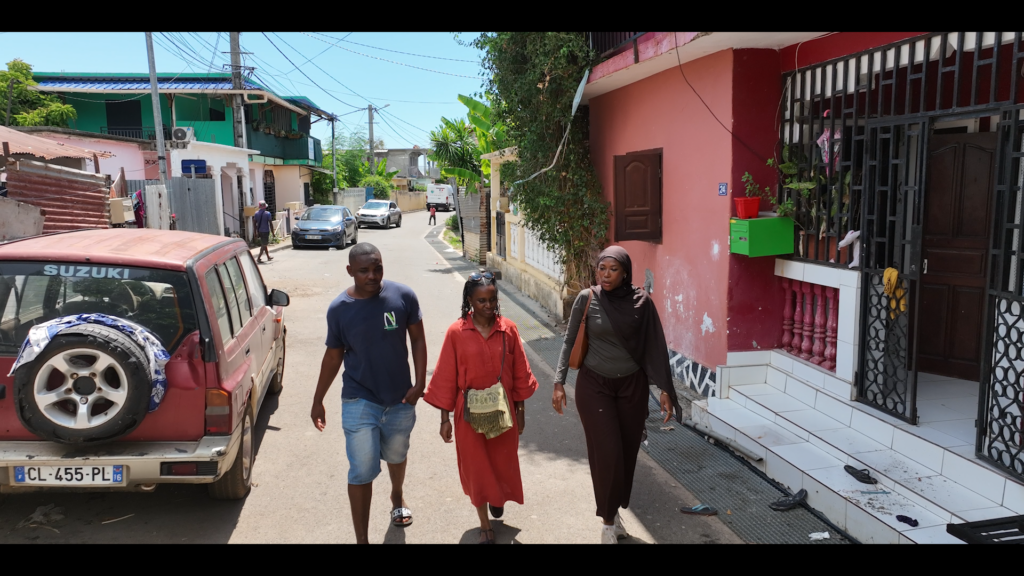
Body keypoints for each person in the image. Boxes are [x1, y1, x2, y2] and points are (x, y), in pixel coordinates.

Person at [552, 246, 683, 544]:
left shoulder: (642, 303)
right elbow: (569, 339)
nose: (606, 274)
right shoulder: (588, 298)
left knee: (625, 454)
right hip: (594, 387)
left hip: (631, 388)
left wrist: (664, 390)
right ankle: (608, 522)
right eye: (602, 269)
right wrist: (559, 382)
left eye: (613, 269)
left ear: (625, 272)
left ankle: (615, 509)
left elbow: (654, 346)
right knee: (607, 453)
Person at [310, 243, 428, 544]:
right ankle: (362, 540)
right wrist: (318, 399)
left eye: (377, 268)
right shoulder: (339, 310)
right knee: (361, 469)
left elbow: (417, 340)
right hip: (359, 398)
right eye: (364, 271)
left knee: (397, 454)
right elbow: (333, 357)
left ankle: (397, 495)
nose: (372, 276)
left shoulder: (403, 296)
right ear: (350, 271)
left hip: (400, 398)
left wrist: (419, 384)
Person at [423, 272, 538, 544]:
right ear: (469, 301)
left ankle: (497, 498)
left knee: (501, 462)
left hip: (504, 410)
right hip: (468, 414)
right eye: (481, 300)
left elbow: (520, 373)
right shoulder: (456, 332)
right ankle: (484, 523)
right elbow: (445, 377)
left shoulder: (508, 329)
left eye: (493, 299)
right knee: (476, 467)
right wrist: (444, 419)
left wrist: (521, 413)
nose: (488, 305)